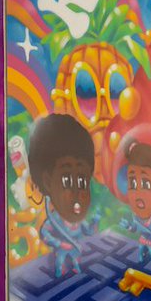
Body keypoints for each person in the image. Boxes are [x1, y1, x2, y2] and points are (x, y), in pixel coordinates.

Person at [29, 114, 99, 277]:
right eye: (67, 180)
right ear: (47, 182)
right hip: (61, 253)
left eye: (82, 181)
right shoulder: (54, 221)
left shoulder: (78, 222)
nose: (77, 192)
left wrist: (94, 223)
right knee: (60, 264)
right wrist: (60, 244)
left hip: (75, 254)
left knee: (75, 265)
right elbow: (45, 234)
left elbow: (87, 231)